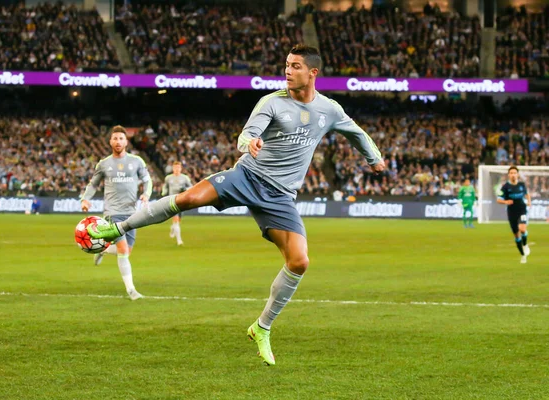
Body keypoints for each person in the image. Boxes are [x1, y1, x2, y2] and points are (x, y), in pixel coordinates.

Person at [88, 45, 385, 365]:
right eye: (286, 64)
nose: (287, 71)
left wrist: (375, 159)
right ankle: (115, 227)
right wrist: (250, 142)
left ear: (313, 73)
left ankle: (262, 327)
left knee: (299, 262)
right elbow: (247, 135)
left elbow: (356, 133)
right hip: (247, 176)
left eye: (295, 66)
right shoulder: (271, 102)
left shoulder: (329, 109)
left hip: (281, 197)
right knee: (188, 198)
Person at [81, 125, 152, 300]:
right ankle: (131, 290)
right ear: (110, 141)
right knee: (122, 250)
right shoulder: (104, 164)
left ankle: (102, 249)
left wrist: (146, 194)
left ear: (126, 141)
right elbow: (93, 184)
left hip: (132, 213)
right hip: (112, 212)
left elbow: (147, 180)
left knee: (127, 250)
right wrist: (85, 198)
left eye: (121, 138)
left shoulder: (137, 161)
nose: (118, 141)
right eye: (115, 138)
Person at [497, 166, 532, 264]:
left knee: (522, 229)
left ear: (517, 174)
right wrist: (506, 201)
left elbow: (527, 194)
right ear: (508, 175)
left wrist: (529, 202)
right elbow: (498, 199)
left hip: (522, 209)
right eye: (511, 173)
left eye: (514, 173)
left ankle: (525, 245)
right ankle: (523, 255)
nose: (513, 174)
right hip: (512, 212)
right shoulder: (505, 187)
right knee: (516, 235)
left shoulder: (521, 185)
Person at [162, 161, 193, 245]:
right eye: (175, 167)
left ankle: (172, 228)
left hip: (182, 201)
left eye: (178, 167)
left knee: (178, 221)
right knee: (175, 219)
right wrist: (163, 193)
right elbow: (165, 187)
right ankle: (179, 240)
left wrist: (185, 188)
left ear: (181, 168)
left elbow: (191, 187)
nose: (176, 169)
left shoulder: (185, 178)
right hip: (172, 201)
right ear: (173, 168)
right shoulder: (168, 178)